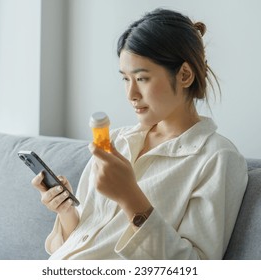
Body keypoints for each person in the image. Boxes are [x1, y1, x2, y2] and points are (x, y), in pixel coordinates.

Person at [31, 8, 248, 260]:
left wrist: (130, 197)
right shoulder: (117, 142)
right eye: (125, 79)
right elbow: (73, 247)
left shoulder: (217, 159)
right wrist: (66, 212)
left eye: (142, 78)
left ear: (185, 75)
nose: (130, 94)